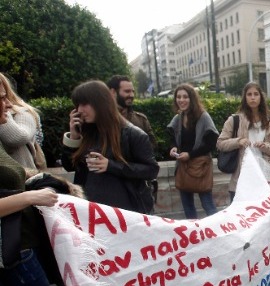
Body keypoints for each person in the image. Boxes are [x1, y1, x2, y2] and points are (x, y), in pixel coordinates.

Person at [0, 88, 87, 286]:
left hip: (20, 242)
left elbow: (14, 174)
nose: (9, 103)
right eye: (1, 99)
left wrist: (41, 179)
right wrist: (31, 196)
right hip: (11, 251)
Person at [62, 81, 159, 214]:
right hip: (90, 210)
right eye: (77, 105)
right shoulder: (87, 132)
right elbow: (70, 166)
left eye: (84, 104)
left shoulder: (132, 134)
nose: (79, 110)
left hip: (125, 213)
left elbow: (151, 170)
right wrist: (73, 137)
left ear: (100, 103)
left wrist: (111, 166)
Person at [217, 82, 270, 201]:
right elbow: (220, 143)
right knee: (241, 217)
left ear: (261, 97)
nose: (252, 97)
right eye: (249, 94)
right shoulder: (234, 120)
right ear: (245, 97)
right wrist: (238, 141)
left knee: (264, 217)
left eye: (256, 94)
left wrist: (265, 146)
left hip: (265, 177)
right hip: (242, 177)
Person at [167, 84, 219, 219]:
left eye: (185, 96)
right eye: (178, 97)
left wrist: (190, 155)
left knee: (208, 205)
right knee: (188, 207)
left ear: (192, 98)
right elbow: (173, 137)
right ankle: (195, 237)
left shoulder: (203, 117)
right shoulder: (178, 118)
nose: (181, 100)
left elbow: (212, 143)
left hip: (200, 167)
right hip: (183, 167)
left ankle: (218, 233)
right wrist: (173, 148)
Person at [106, 75, 159, 203]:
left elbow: (151, 149)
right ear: (112, 92)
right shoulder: (103, 122)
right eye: (127, 91)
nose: (131, 95)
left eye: (133, 91)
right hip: (114, 190)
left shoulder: (141, 119)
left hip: (139, 189)